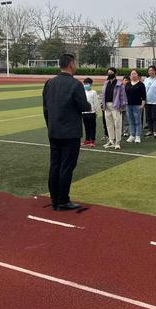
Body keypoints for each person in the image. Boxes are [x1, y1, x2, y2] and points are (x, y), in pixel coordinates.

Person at [42, 54, 91, 211]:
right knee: (66, 166)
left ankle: (55, 199)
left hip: (54, 131)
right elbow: (84, 106)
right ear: (71, 64)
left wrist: (50, 126)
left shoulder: (49, 83)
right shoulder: (75, 84)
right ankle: (63, 200)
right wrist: (89, 103)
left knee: (55, 165)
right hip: (70, 132)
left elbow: (45, 108)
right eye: (75, 63)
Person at [101, 67, 127, 150]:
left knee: (117, 124)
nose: (109, 74)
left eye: (111, 72)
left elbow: (123, 96)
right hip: (107, 105)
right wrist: (102, 103)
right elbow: (103, 94)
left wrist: (122, 107)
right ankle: (111, 140)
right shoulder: (106, 83)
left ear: (115, 74)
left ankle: (117, 142)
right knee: (109, 124)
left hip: (116, 106)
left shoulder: (119, 84)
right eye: (108, 73)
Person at [125, 70, 146, 144]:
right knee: (131, 121)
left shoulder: (141, 84)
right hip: (128, 105)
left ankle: (137, 136)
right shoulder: (127, 84)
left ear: (137, 75)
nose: (133, 75)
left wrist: (142, 105)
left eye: (134, 74)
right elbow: (124, 95)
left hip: (137, 105)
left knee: (137, 121)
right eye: (132, 74)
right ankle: (132, 135)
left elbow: (144, 96)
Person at [144, 66, 156, 138]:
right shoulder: (146, 80)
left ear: (155, 71)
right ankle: (150, 130)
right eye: (149, 70)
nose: (151, 72)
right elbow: (144, 91)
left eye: (152, 70)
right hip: (147, 101)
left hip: (155, 101)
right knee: (148, 117)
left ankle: (155, 131)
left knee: (154, 117)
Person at [82, 78, 99, 148]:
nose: (86, 85)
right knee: (86, 127)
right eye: (85, 83)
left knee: (92, 127)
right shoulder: (83, 92)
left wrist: (95, 111)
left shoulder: (93, 92)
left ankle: (92, 140)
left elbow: (96, 103)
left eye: (87, 83)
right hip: (84, 112)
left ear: (91, 84)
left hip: (91, 112)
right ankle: (87, 139)